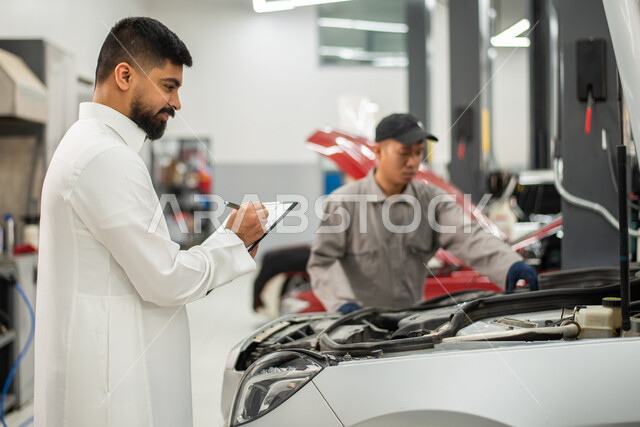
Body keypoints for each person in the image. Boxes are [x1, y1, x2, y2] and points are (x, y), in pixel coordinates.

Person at [34, 17, 267, 427]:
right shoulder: (106, 156)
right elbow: (166, 278)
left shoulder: (91, 144)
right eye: (168, 86)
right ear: (125, 75)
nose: (177, 104)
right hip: (115, 396)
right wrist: (232, 239)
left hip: (108, 376)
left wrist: (229, 241)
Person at [307, 113, 538, 314]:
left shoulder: (431, 201)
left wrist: (510, 265)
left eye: (418, 153)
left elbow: (469, 236)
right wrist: (343, 304)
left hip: (411, 327)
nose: (413, 162)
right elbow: (323, 262)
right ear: (378, 151)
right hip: (358, 326)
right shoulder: (343, 203)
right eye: (404, 153)